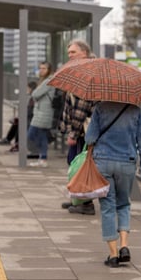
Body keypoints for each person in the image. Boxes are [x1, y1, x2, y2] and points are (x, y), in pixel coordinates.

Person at [84, 101, 141, 267]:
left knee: (107, 207)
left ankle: (113, 255)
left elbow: (90, 138)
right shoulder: (135, 110)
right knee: (123, 205)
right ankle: (124, 246)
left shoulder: (100, 108)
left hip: (103, 162)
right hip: (126, 162)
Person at [59, 39, 98, 214]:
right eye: (69, 53)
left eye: (73, 52)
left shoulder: (87, 73)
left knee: (80, 164)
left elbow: (82, 106)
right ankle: (77, 198)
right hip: (80, 128)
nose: (70, 55)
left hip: (84, 128)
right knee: (75, 162)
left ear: (84, 53)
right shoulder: (79, 71)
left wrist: (73, 134)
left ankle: (85, 203)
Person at [27, 62, 56, 167]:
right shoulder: (45, 81)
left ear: (49, 70)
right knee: (42, 135)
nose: (41, 70)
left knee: (31, 134)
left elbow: (35, 94)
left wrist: (35, 94)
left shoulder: (48, 81)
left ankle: (42, 156)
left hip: (43, 112)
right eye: (40, 68)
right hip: (42, 111)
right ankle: (42, 158)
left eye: (44, 68)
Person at [0, 81, 36, 152]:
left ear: (31, 89)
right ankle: (10, 139)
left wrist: (21, 117)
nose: (26, 89)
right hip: (29, 118)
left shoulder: (32, 98)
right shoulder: (30, 97)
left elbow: (30, 111)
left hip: (31, 119)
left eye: (27, 88)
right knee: (17, 122)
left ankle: (16, 142)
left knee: (20, 122)